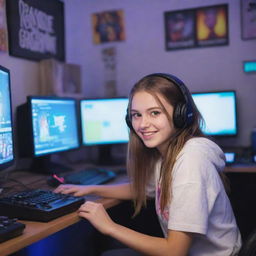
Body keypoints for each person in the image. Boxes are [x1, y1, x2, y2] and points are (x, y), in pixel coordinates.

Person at [55, 73, 242, 256]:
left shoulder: (190, 160)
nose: (143, 124)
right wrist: (89, 189)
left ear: (180, 114)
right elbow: (144, 189)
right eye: (136, 115)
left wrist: (109, 227)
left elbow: (174, 251)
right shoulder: (168, 154)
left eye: (155, 113)